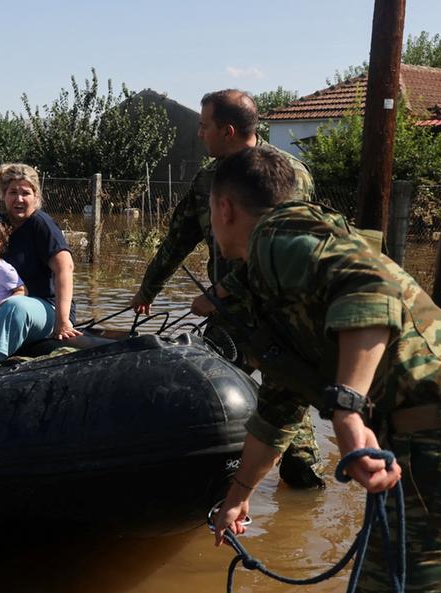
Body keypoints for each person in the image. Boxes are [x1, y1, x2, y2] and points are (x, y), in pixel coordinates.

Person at [206, 146, 441, 593]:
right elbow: (280, 405)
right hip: (439, 446)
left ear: (224, 208)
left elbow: (370, 287)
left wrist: (346, 408)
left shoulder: (274, 235)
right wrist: (239, 497)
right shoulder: (279, 279)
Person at [131, 88, 322, 488]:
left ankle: (300, 486)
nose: (199, 134)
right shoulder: (208, 179)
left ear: (229, 130)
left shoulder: (289, 174)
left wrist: (218, 294)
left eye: (205, 126)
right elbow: (178, 239)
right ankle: (218, 475)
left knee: (288, 396)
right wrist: (147, 290)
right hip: (230, 316)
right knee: (212, 391)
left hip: (278, 310)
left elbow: (283, 252)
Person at [0, 163, 80, 365]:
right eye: (13, 192)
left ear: (36, 197)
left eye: (26, 193)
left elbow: (65, 269)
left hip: (46, 307)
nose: (19, 199)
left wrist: (63, 321)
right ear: (4, 195)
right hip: (0, 303)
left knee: (14, 306)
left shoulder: (41, 224)